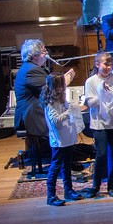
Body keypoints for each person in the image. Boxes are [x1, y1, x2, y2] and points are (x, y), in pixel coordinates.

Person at [15, 39, 74, 172]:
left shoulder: (32, 68)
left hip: (34, 111)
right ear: (35, 55)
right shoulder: (31, 70)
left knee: (66, 114)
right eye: (43, 51)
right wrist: (64, 82)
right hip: (31, 116)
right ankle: (63, 160)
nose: (46, 53)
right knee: (66, 118)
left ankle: (67, 158)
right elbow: (50, 90)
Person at [83, 52, 113, 197]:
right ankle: (95, 186)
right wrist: (102, 91)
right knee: (101, 154)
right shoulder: (91, 81)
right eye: (106, 64)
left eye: (110, 65)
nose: (109, 67)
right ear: (97, 64)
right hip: (99, 122)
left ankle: (111, 185)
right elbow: (90, 103)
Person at [42, 73, 83, 206]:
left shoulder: (61, 99)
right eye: (63, 84)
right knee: (55, 166)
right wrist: (69, 111)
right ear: (57, 87)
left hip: (67, 137)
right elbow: (55, 121)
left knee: (67, 165)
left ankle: (68, 190)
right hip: (58, 140)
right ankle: (51, 195)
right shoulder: (50, 103)